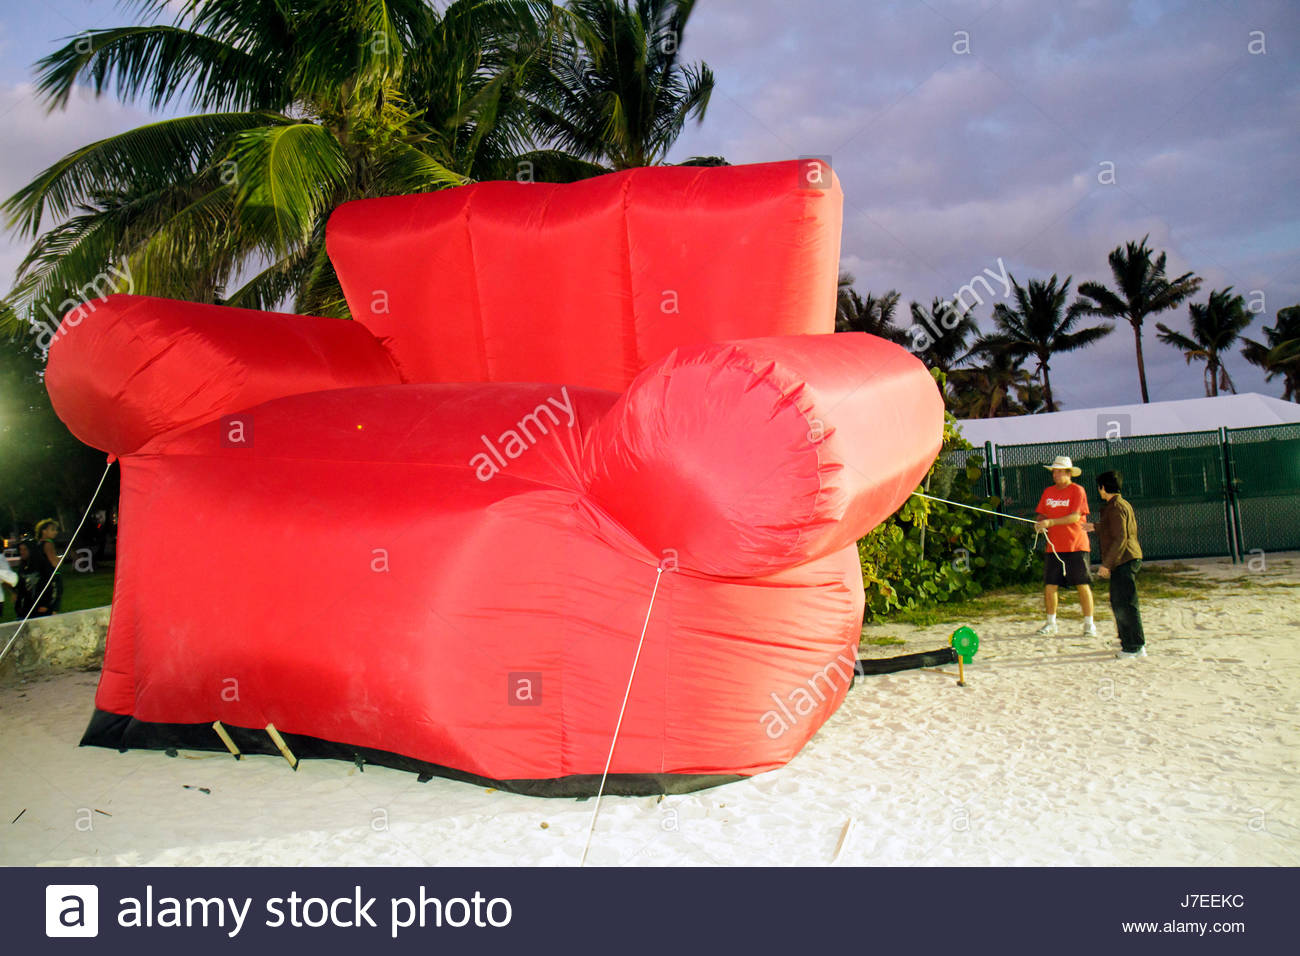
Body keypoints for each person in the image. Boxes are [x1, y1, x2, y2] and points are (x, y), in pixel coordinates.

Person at [1032, 455, 1096, 636]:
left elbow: (1075, 517)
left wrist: (1050, 522)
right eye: (1054, 471)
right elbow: (1042, 514)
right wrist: (1040, 523)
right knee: (1050, 585)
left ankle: (1089, 623)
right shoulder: (1048, 492)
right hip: (1054, 546)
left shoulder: (1077, 491)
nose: (1056, 474)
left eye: (1060, 471)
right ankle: (1051, 622)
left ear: (1069, 473)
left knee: (1082, 584)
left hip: (1076, 545)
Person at [1093, 471, 1146, 659]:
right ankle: (1132, 642)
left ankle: (1134, 646)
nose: (1099, 491)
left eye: (1099, 487)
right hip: (1125, 559)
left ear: (1103, 487)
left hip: (1124, 559)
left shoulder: (1115, 507)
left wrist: (1107, 564)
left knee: (1125, 604)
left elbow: (1121, 537)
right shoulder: (1119, 505)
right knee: (1121, 602)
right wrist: (1094, 527)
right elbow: (1114, 528)